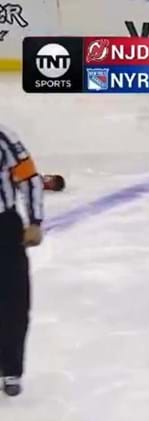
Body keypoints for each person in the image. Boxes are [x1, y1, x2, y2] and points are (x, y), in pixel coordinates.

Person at [0, 124, 45, 397]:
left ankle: (11, 368)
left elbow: (29, 178)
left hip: (2, 227)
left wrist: (35, 221)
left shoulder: (3, 137)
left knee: (13, 300)